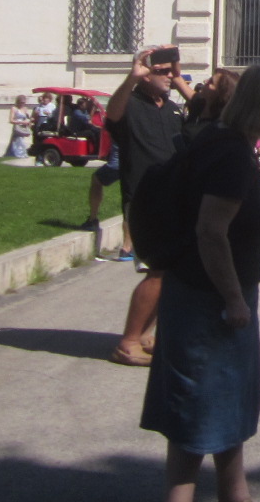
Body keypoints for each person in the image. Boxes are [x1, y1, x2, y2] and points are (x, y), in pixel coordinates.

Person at [141, 64, 260, 502]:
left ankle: (235, 492)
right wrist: (233, 298)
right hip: (211, 307)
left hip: (199, 298)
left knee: (221, 421)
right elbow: (210, 231)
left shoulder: (218, 140)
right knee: (198, 424)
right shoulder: (230, 155)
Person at [107, 46, 192, 367]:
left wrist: (179, 78)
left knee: (166, 273)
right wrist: (132, 78)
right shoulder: (130, 104)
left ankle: (143, 335)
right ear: (146, 75)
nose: (170, 76)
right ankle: (128, 342)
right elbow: (112, 114)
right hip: (146, 200)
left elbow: (203, 115)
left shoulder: (170, 108)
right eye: (163, 72)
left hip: (171, 198)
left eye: (172, 71)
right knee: (157, 272)